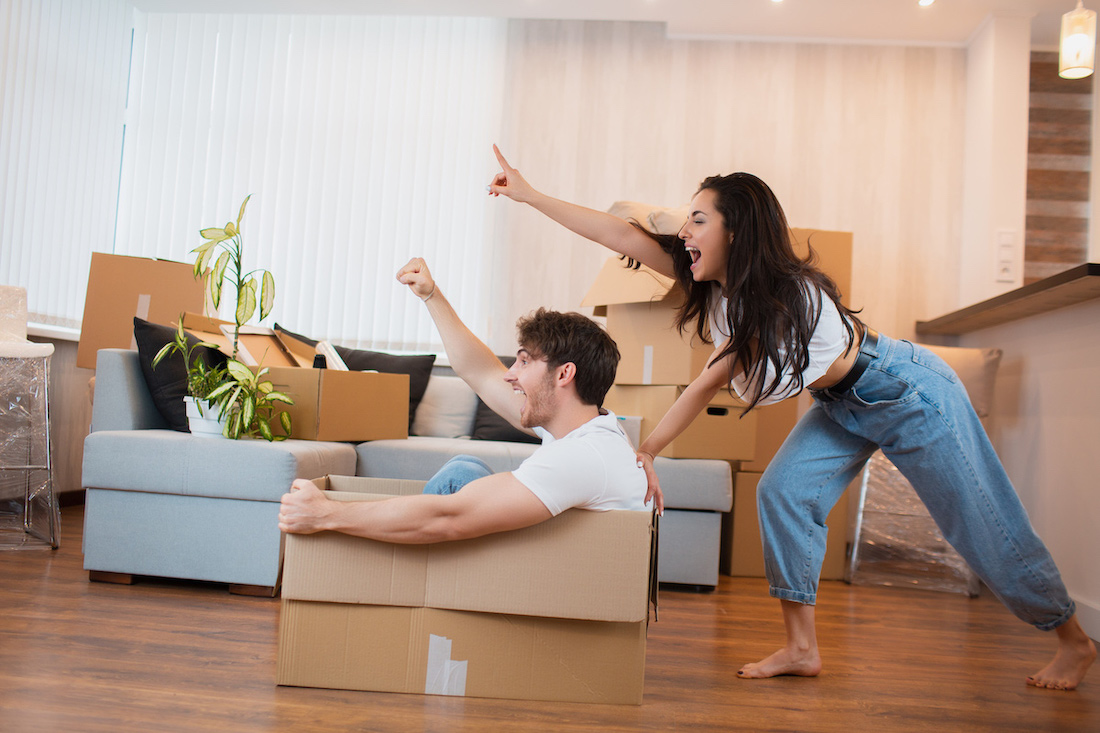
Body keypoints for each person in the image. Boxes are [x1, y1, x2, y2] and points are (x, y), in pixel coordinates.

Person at [487, 145, 1096, 691]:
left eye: (701, 219)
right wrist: (530, 195)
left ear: (739, 230)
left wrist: (675, 230)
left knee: (977, 518)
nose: (685, 236)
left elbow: (738, 381)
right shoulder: (724, 291)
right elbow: (623, 241)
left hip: (907, 393)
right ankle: (802, 648)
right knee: (782, 493)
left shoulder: (789, 298)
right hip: (844, 404)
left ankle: (1073, 641)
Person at [278, 257, 650, 546]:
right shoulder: (588, 428)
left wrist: (326, 514)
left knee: (454, 490)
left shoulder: (579, 456)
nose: (510, 374)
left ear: (564, 375)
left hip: (552, 583)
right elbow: (480, 371)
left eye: (523, 361)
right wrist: (430, 294)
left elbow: (448, 519)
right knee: (466, 468)